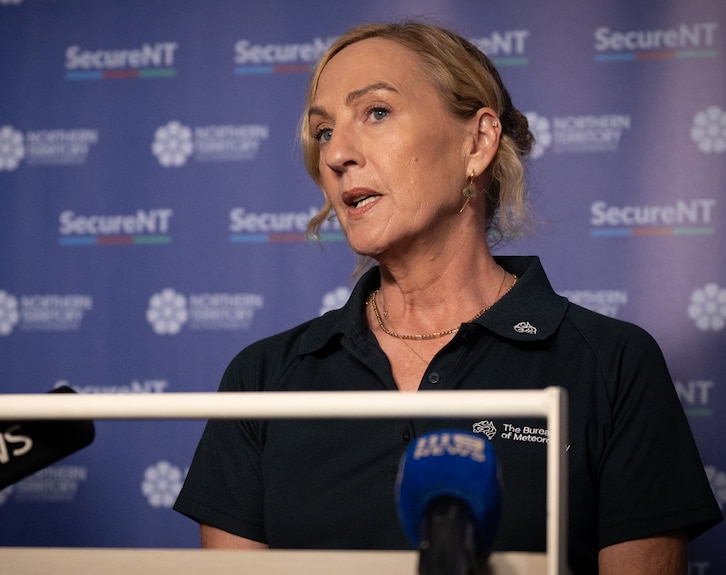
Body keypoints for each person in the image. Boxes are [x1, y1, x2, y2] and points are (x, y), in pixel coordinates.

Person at [173, 20, 722, 574]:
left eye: (377, 112)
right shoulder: (262, 380)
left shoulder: (613, 364)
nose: (336, 153)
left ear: (477, 142)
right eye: (323, 131)